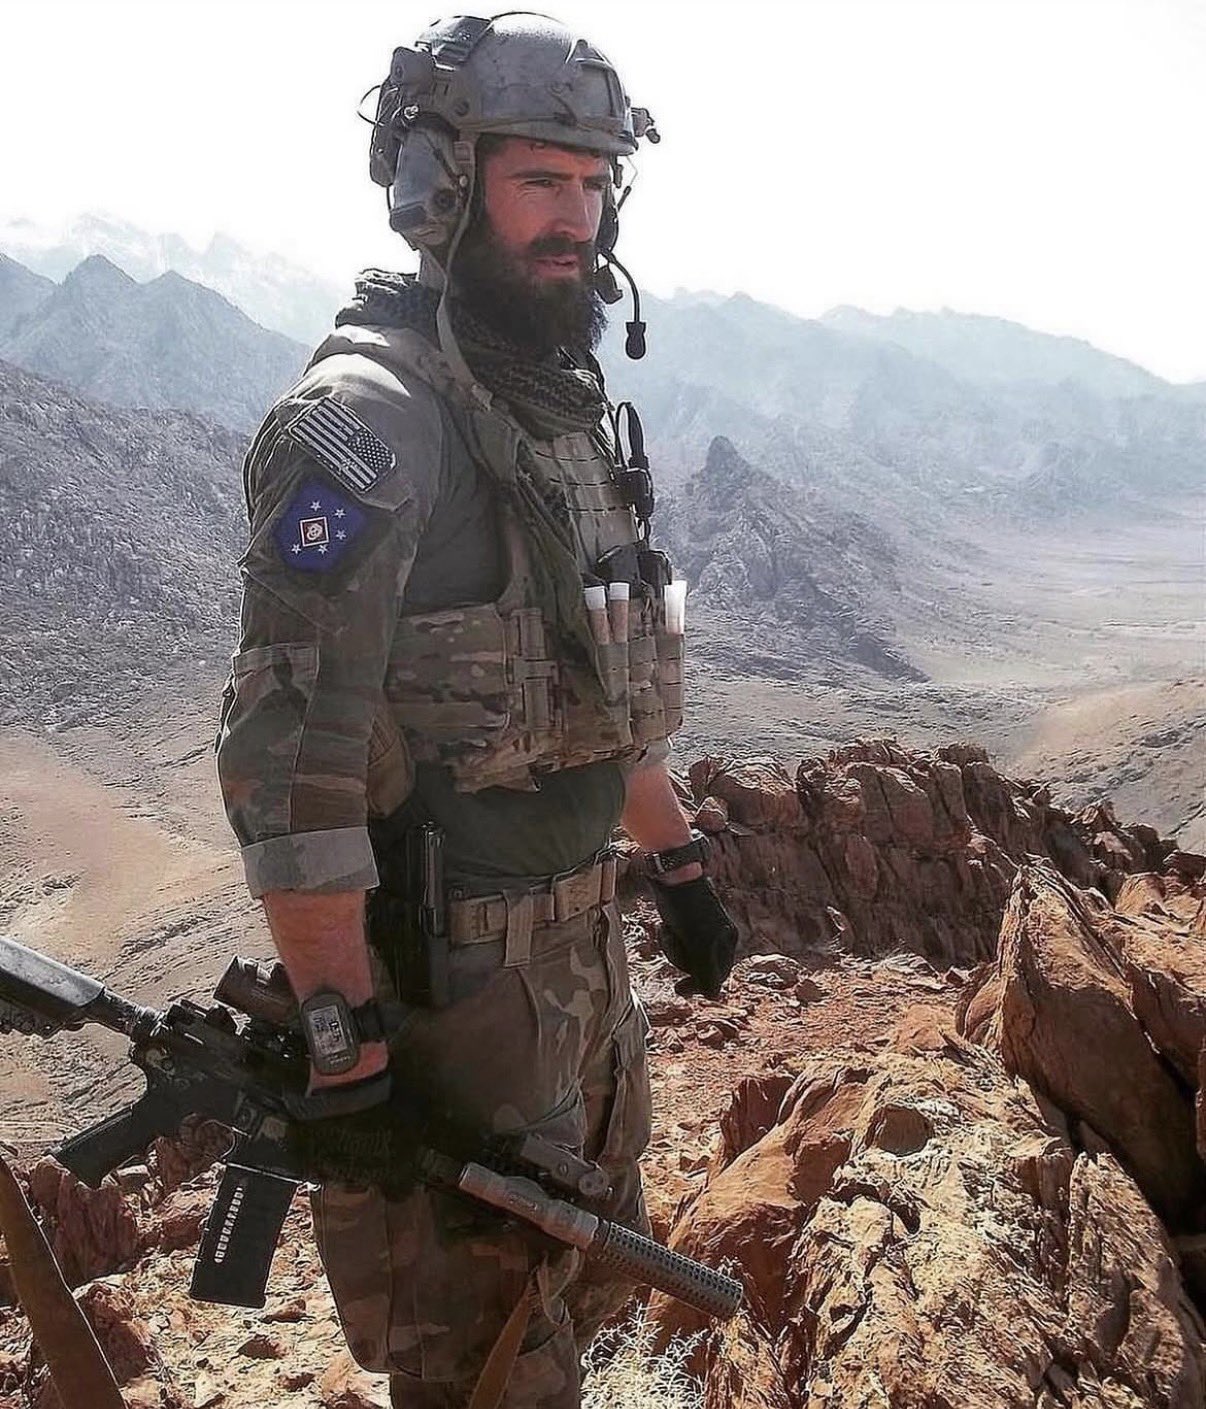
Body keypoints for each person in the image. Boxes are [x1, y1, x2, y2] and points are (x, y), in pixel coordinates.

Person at [215, 13, 737, 1407]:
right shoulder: (366, 426)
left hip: (578, 963)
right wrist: (343, 1036)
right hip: (450, 998)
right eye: (539, 180)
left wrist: (678, 863)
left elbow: (600, 683)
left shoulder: (554, 407)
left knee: (583, 1294)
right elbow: (290, 765)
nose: (578, 219)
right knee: (484, 1358)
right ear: (441, 188)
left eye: (594, 183)